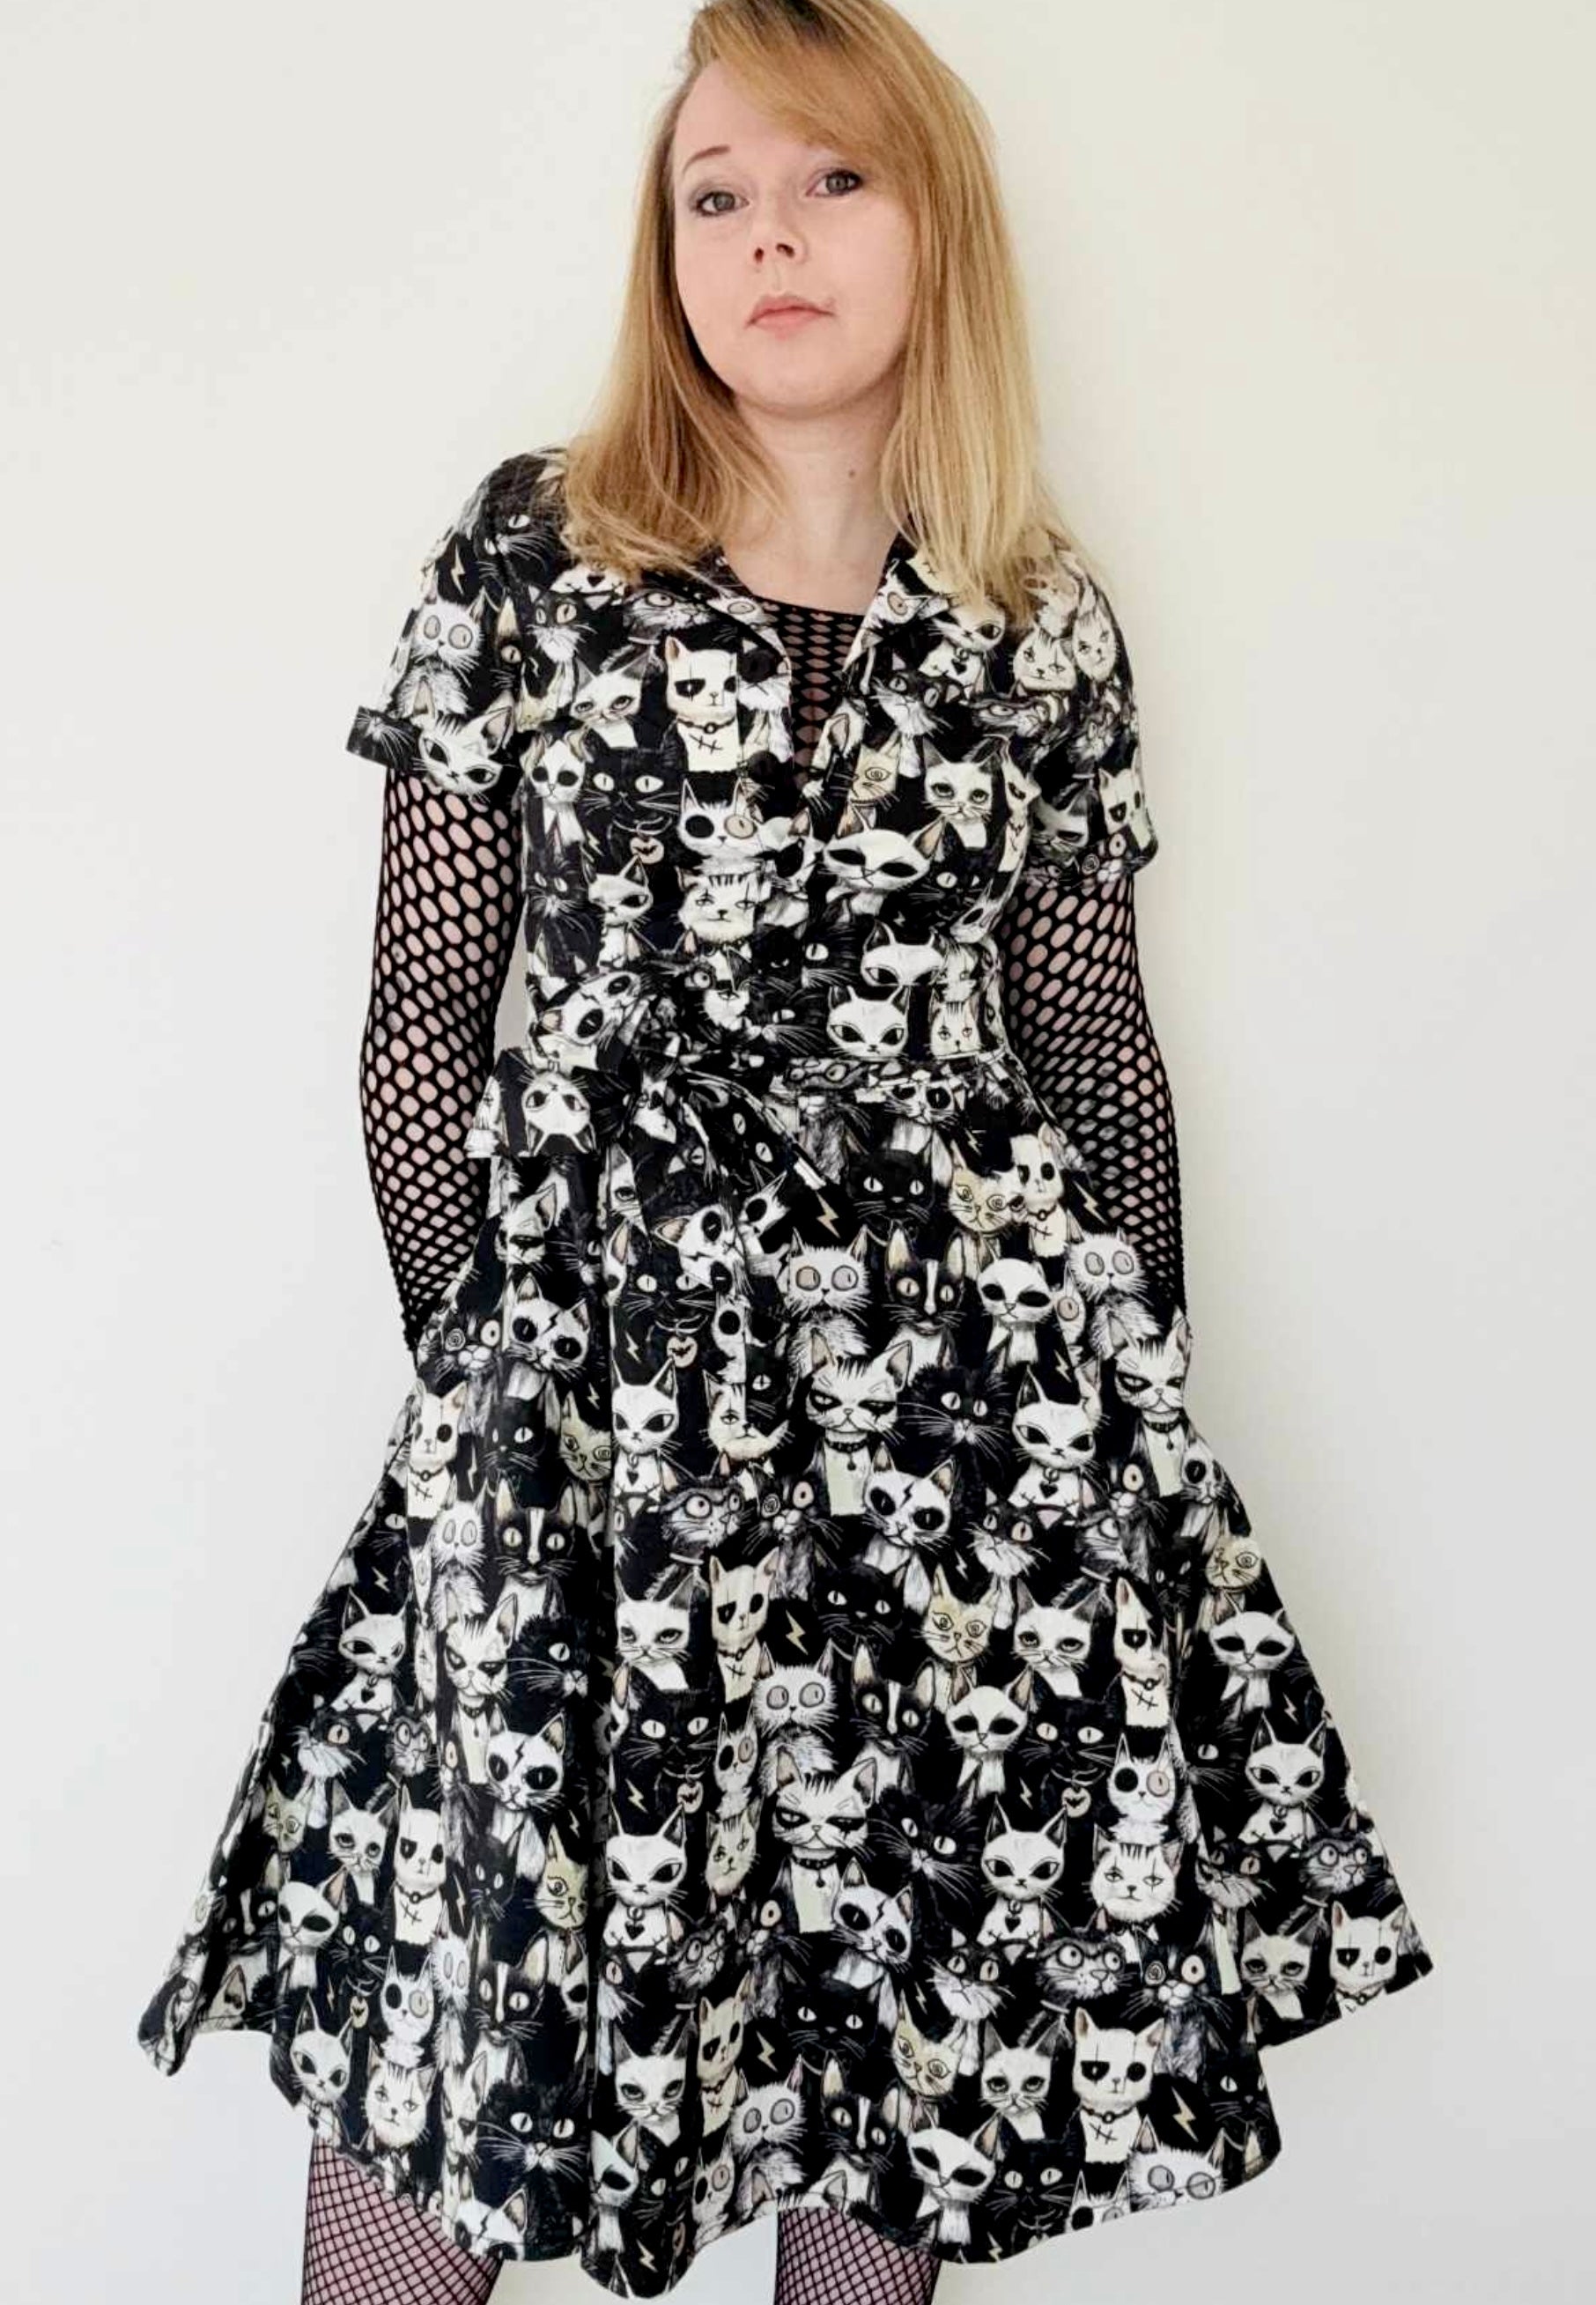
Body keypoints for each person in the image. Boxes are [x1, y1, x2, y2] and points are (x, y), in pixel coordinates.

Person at [135, 4, 1435, 2300]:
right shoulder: (538, 554)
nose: (765, 237)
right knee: (466, 2040)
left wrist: (1112, 1429)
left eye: (827, 180)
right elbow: (419, 1018)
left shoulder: (1033, 622)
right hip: (594, 1434)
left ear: (937, 220)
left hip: (955, 1453)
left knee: (884, 2050)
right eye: (714, 192)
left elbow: (1090, 1047)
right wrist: (489, 1379)